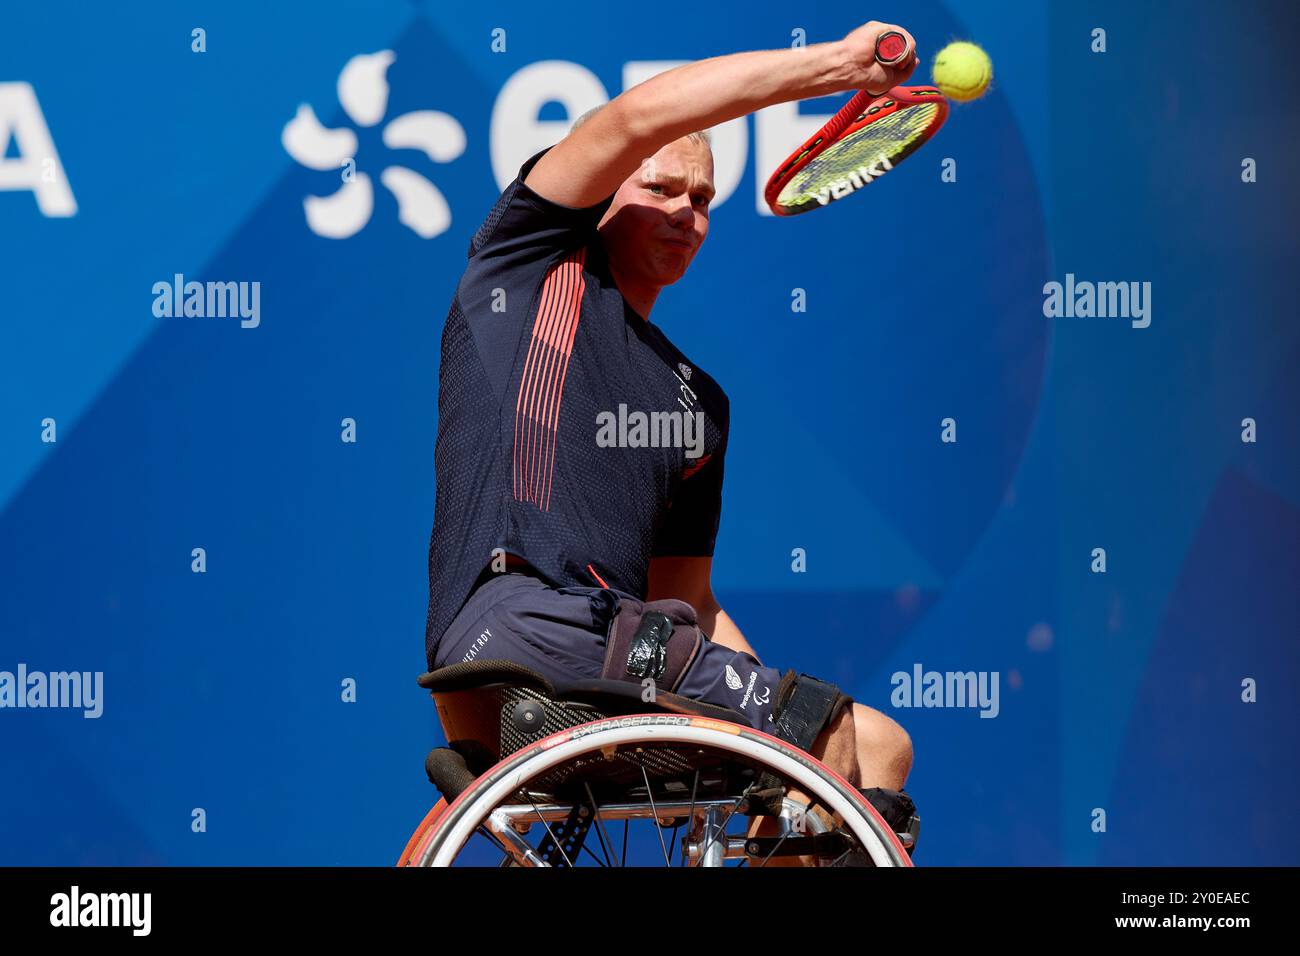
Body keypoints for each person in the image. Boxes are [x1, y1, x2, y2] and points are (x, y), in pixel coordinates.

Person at [425, 20, 919, 849]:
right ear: (601, 191)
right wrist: (835, 66)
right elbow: (633, 121)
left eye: (702, 201)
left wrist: (772, 698)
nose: (686, 214)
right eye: (659, 189)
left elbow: (688, 601)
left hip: (620, 648)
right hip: (520, 631)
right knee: (816, 736)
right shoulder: (529, 263)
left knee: (877, 748)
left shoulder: (697, 406)